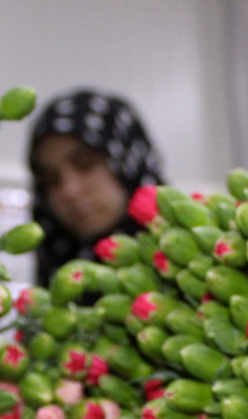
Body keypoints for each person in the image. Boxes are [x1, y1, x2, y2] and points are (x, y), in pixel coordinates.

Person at [27, 89, 165, 287]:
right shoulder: (56, 285)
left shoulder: (192, 265)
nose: (70, 191)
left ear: (127, 161)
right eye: (50, 179)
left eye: (85, 165)